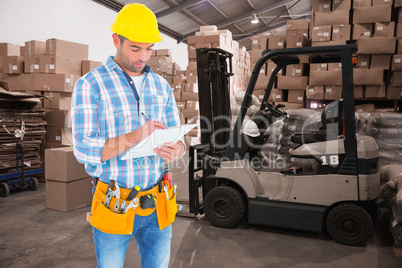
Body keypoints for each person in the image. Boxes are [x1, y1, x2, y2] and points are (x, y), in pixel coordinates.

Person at [71, 3, 185, 268]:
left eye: (148, 48)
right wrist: (132, 138)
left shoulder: (161, 85)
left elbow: (176, 135)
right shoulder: (90, 84)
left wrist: (177, 148)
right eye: (135, 48)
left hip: (157, 201)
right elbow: (83, 148)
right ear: (116, 40)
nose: (143, 56)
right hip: (115, 202)